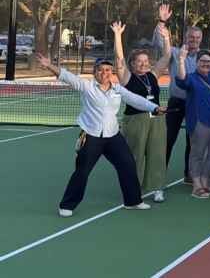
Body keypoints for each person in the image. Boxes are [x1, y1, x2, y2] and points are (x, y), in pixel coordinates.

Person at [36, 54, 165, 217]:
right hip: (91, 136)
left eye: (108, 70)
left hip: (113, 136)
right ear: (94, 72)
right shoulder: (87, 86)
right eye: (101, 70)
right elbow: (67, 76)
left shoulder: (117, 89)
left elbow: (135, 99)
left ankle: (133, 201)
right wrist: (49, 65)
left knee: (128, 165)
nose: (104, 73)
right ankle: (67, 205)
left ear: (112, 72)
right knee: (82, 171)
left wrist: (154, 108)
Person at [111, 18, 172, 203]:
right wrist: (117, 36)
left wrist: (166, 38)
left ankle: (157, 187)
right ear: (132, 64)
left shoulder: (153, 75)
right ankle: (133, 187)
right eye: (139, 61)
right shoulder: (126, 77)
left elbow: (166, 57)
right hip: (135, 121)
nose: (144, 64)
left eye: (146, 61)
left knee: (157, 154)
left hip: (157, 119)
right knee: (134, 155)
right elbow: (119, 60)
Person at [176, 47, 210, 199]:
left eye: (209, 61)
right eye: (203, 61)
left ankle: (205, 179)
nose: (206, 63)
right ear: (197, 62)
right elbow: (182, 80)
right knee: (197, 154)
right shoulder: (191, 78)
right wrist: (181, 60)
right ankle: (197, 185)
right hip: (200, 121)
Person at [155, 7, 201, 183]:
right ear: (186, 38)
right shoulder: (175, 52)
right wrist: (162, 22)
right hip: (176, 102)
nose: (194, 40)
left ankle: (189, 174)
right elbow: (160, 42)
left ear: (201, 39)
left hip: (194, 104)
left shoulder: (205, 56)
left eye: (197, 38)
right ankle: (158, 174)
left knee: (192, 141)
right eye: (191, 37)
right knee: (168, 139)